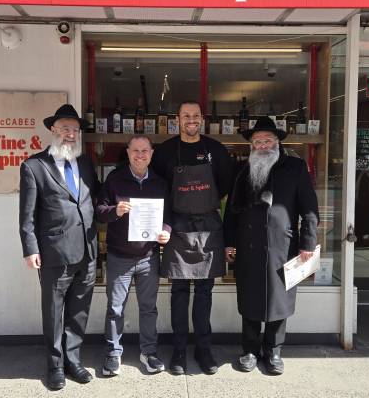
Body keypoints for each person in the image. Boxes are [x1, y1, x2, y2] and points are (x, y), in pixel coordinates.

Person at [223, 116, 319, 375]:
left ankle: (274, 351)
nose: (262, 146)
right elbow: (231, 212)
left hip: (283, 246)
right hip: (247, 246)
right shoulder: (243, 170)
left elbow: (309, 208)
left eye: (267, 141)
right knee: (251, 297)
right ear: (251, 146)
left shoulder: (296, 168)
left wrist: (308, 243)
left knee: (279, 300)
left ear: (277, 143)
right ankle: (250, 350)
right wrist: (228, 242)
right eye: (257, 142)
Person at [19, 104, 100, 391]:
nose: (71, 134)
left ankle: (73, 360)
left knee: (79, 311)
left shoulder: (86, 164)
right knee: (54, 313)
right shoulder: (34, 166)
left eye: (75, 130)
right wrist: (30, 249)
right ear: (53, 129)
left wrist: (117, 211)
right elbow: (27, 215)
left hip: (87, 252)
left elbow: (95, 204)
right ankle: (54, 365)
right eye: (65, 128)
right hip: (54, 254)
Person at [151, 101, 234, 375]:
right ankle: (178, 350)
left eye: (195, 116)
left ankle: (203, 348)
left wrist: (202, 205)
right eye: (185, 115)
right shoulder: (164, 152)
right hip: (177, 227)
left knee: (205, 293)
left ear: (202, 119)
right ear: (177, 119)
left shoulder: (216, 151)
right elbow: (158, 189)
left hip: (209, 226)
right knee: (178, 292)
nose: (191, 120)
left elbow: (225, 186)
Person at [95, 135, 171, 376]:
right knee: (115, 308)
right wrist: (114, 211)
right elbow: (99, 212)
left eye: (144, 151)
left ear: (152, 154)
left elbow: (168, 217)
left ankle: (148, 353)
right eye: (135, 151)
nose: (140, 155)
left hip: (149, 256)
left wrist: (166, 233)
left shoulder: (160, 182)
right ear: (128, 153)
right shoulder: (114, 180)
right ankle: (113, 354)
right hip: (119, 257)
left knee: (149, 309)